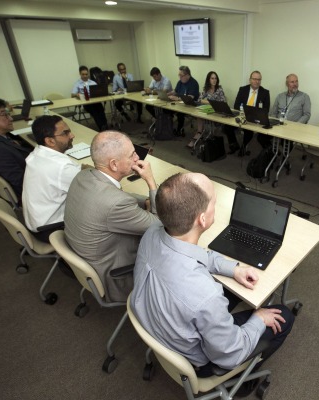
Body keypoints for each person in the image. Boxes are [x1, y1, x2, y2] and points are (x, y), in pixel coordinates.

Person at [131, 172, 294, 394]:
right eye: (214, 203)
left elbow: (196, 254)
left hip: (160, 324)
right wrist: (257, 319)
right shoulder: (206, 294)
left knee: (232, 293)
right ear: (203, 219)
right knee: (284, 315)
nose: (215, 206)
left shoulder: (153, 232)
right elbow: (231, 353)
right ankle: (241, 384)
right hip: (198, 360)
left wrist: (233, 269)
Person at [64, 131, 160, 302]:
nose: (138, 157)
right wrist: (151, 182)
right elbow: (159, 224)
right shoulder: (116, 203)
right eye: (133, 155)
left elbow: (119, 197)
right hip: (113, 275)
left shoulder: (84, 175)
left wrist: (145, 200)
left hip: (86, 258)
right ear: (114, 164)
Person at [22, 116, 85, 243]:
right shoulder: (62, 167)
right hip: (52, 229)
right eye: (65, 133)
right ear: (50, 141)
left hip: (37, 221)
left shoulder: (36, 154)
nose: (72, 135)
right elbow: (95, 190)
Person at [224, 71, 271, 156]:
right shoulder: (243, 89)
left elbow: (266, 110)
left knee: (248, 129)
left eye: (259, 79)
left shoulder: (265, 92)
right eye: (255, 79)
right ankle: (234, 144)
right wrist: (243, 112)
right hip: (242, 115)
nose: (257, 81)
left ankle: (244, 146)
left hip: (254, 118)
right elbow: (236, 105)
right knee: (226, 126)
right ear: (250, 80)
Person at [189, 71, 226, 148]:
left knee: (201, 112)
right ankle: (199, 132)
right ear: (208, 80)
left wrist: (208, 102)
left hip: (217, 112)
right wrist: (209, 102)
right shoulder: (206, 89)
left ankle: (204, 134)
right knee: (198, 112)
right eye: (212, 78)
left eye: (215, 78)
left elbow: (223, 103)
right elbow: (199, 100)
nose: (214, 80)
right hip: (209, 110)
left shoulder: (219, 89)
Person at [71, 65, 108, 132]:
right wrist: (77, 94)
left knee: (101, 109)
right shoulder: (77, 83)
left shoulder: (92, 82)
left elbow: (99, 91)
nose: (85, 76)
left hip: (95, 101)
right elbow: (72, 94)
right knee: (95, 111)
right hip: (86, 103)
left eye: (86, 74)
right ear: (80, 74)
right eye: (83, 74)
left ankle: (105, 125)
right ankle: (102, 127)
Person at [168, 65, 200, 136]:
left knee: (180, 113)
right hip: (178, 104)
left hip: (190, 106)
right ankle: (168, 128)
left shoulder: (194, 83)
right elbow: (175, 91)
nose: (180, 77)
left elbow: (190, 98)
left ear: (187, 75)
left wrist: (177, 98)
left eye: (181, 75)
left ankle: (179, 129)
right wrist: (167, 94)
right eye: (179, 75)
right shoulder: (180, 82)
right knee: (166, 110)